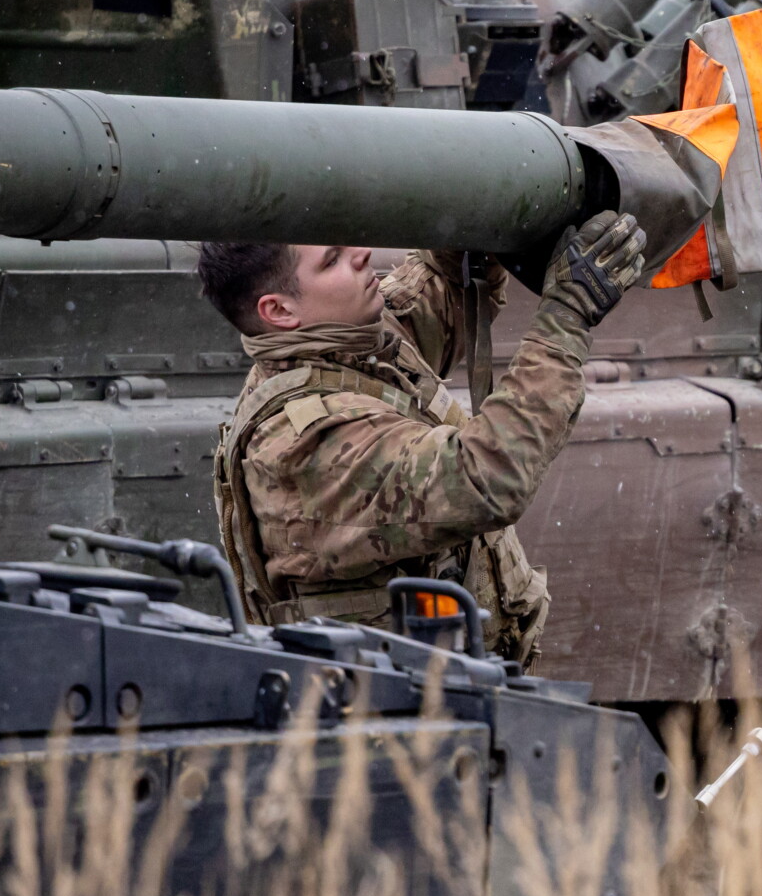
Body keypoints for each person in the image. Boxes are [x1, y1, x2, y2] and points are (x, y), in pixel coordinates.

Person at [198, 214, 645, 665]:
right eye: (332, 260)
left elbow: (442, 292)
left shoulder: (345, 344)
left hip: (441, 689)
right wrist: (565, 319)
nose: (361, 253)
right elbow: (486, 476)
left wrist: (476, 216)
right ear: (280, 311)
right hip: (382, 709)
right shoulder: (306, 444)